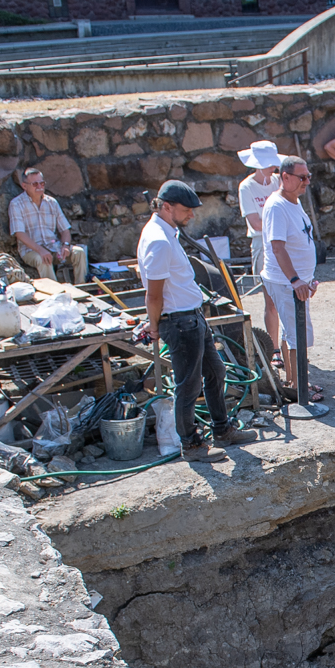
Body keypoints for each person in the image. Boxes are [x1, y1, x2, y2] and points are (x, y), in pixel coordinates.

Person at [133, 180, 252, 462]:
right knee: (188, 385)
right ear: (166, 207)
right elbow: (154, 294)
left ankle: (222, 429)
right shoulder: (159, 240)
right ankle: (192, 444)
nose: (192, 215)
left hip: (191, 316)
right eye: (186, 209)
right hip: (179, 321)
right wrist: (153, 325)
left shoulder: (167, 233)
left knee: (216, 372)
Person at [262, 155, 322, 396]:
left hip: (297, 281)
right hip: (285, 281)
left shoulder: (293, 201)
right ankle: (299, 387)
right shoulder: (277, 206)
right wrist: (295, 280)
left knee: (292, 333)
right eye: (302, 177)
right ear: (285, 177)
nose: (307, 182)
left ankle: (295, 380)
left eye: (309, 176)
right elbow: (277, 247)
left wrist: (306, 279)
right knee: (297, 335)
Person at [237, 140, 283, 354]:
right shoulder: (246, 186)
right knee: (271, 300)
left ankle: (289, 346)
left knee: (289, 297)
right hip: (263, 243)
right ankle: (273, 348)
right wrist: (281, 223)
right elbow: (255, 222)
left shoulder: (278, 181)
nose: (274, 168)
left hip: (283, 241)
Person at [8, 167, 87, 284]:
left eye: (42, 183)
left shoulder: (51, 202)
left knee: (79, 252)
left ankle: (82, 288)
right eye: (35, 184)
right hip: (31, 250)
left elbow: (65, 229)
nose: (39, 187)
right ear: (24, 186)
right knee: (42, 259)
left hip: (53, 247)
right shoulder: (16, 204)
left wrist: (65, 245)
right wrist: (40, 250)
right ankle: (56, 294)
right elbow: (19, 233)